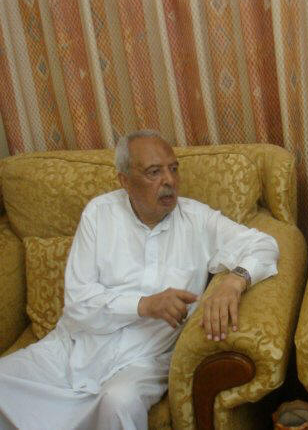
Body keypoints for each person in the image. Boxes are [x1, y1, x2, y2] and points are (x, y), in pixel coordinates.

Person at [0, 130, 279, 430]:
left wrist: (234, 282)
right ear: (124, 181)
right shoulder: (99, 214)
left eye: (173, 169)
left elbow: (265, 244)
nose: (169, 180)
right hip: (74, 346)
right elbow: (79, 303)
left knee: (119, 403)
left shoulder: (197, 220)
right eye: (154, 172)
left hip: (144, 358)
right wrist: (144, 305)